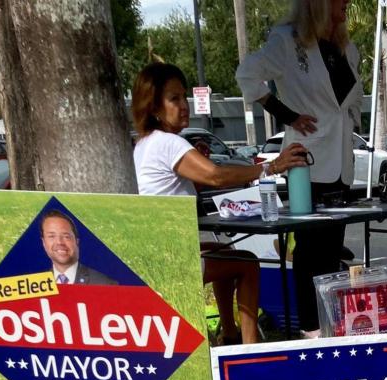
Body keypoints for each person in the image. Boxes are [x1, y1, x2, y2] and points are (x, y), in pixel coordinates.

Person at [131, 62, 307, 344]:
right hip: (175, 258)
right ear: (154, 108)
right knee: (248, 263)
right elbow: (216, 176)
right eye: (174, 99)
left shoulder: (145, 143)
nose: (184, 105)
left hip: (158, 251)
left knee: (224, 250)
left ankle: (229, 334)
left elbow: (188, 184)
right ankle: (249, 350)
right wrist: (272, 167)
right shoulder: (168, 143)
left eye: (184, 96)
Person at [237, 0, 362, 338]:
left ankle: (331, 324)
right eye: (339, 0)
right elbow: (247, 75)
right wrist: (286, 114)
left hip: (342, 162)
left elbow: (351, 103)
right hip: (306, 161)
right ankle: (309, 328)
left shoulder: (346, 47)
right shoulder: (287, 39)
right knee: (309, 251)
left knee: (333, 248)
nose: (346, 5)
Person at [40, 211, 116, 285]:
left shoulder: (104, 284)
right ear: (44, 243)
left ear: (77, 241)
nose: (59, 242)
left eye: (66, 236)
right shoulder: (34, 286)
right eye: (51, 236)